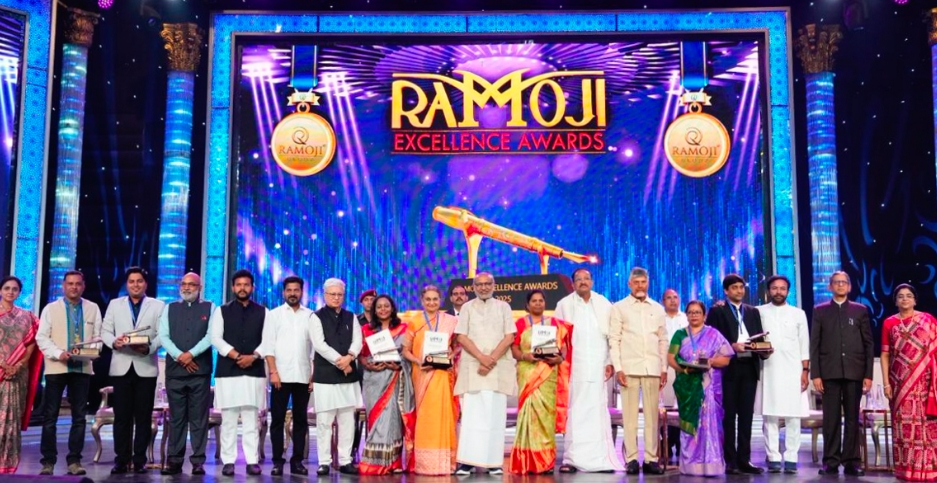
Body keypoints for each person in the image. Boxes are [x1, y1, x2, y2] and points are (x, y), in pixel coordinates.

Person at [553, 267, 623, 473]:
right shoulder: (564, 305)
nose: (583, 282)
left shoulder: (603, 303)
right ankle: (571, 459)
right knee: (574, 411)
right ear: (573, 283)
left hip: (598, 367)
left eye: (586, 278)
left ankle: (600, 459)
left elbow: (611, 336)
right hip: (574, 367)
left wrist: (610, 361)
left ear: (592, 282)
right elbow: (556, 336)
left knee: (596, 411)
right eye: (578, 279)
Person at [36, 270, 102, 476]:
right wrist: (59, 353)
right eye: (70, 284)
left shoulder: (92, 308)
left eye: (78, 284)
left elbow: (98, 338)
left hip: (82, 369)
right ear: (63, 286)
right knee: (50, 417)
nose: (74, 287)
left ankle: (74, 461)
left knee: (79, 417)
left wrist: (91, 352)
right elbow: (42, 337)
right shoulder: (51, 308)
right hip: (56, 368)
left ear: (83, 286)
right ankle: (48, 461)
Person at [810, 271, 873, 477]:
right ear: (830, 286)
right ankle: (831, 461)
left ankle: (852, 461)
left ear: (849, 286)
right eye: (836, 282)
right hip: (829, 372)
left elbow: (868, 344)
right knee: (831, 419)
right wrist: (816, 374)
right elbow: (814, 344)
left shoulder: (860, 310)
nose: (840, 285)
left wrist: (868, 374)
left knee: (853, 418)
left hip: (855, 371)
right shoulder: (820, 311)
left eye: (843, 282)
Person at [102, 267, 164, 474]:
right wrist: (114, 342)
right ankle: (121, 459)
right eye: (131, 281)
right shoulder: (115, 304)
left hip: (146, 367)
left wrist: (149, 348)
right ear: (126, 284)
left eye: (139, 281)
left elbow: (162, 334)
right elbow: (105, 331)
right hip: (121, 366)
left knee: (143, 417)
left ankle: (139, 460)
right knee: (122, 417)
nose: (135, 285)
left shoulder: (158, 305)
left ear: (145, 284)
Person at [453, 272, 515, 475]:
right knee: (472, 416)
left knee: (495, 417)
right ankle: (467, 461)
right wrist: (482, 358)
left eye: (488, 283)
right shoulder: (467, 308)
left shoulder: (503, 307)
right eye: (479, 284)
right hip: (474, 368)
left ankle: (493, 462)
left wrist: (491, 359)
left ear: (494, 285)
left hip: (497, 368)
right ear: (474, 287)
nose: (484, 287)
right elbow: (461, 336)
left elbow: (509, 336)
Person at [608, 267, 667, 475]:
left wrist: (664, 368)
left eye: (643, 282)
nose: (640, 286)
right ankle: (631, 459)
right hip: (629, 368)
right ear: (629, 284)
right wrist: (618, 368)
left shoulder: (657, 308)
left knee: (652, 417)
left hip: (653, 367)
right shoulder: (619, 307)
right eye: (636, 282)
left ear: (648, 283)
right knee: (629, 417)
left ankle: (651, 459)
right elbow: (614, 339)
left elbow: (663, 340)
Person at [706, 273, 766, 475]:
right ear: (726, 291)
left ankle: (744, 459)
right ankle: (730, 460)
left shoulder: (752, 311)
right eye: (734, 288)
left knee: (747, 416)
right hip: (728, 368)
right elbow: (712, 339)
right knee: (729, 415)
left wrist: (764, 349)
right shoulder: (717, 311)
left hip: (749, 366)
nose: (739, 291)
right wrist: (731, 346)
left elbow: (759, 336)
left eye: (741, 287)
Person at [210, 269, 268, 476]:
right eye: (239, 285)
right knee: (229, 419)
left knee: (252, 418)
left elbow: (269, 339)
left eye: (246, 285)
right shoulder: (221, 311)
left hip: (254, 370)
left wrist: (253, 356)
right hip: (229, 371)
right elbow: (215, 338)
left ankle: (252, 460)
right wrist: (236, 355)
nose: (242, 288)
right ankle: (228, 461)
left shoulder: (263, 312)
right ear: (233, 287)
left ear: (252, 287)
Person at [509, 290, 571, 474]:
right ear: (527, 305)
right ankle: (526, 460)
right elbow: (514, 348)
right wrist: (525, 356)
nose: (537, 303)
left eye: (540, 300)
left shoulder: (555, 324)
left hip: (548, 374)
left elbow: (564, 346)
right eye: (534, 301)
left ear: (545, 303)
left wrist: (560, 359)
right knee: (529, 415)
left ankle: (545, 461)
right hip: (528, 373)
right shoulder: (520, 324)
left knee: (546, 417)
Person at [668, 300, 734, 476]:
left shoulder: (714, 334)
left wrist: (710, 361)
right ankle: (690, 465)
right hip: (688, 386)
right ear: (686, 315)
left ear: (704, 315)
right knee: (691, 424)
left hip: (709, 385)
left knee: (710, 423)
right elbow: (671, 358)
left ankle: (711, 465)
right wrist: (685, 370)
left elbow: (726, 359)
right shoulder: (680, 334)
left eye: (697, 312)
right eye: (690, 312)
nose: (694, 315)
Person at [158, 272, 214, 476]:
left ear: (200, 287)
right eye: (184, 284)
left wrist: (191, 354)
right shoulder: (170, 308)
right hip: (175, 372)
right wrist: (180, 356)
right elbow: (163, 336)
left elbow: (211, 336)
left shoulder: (210, 307)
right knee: (177, 418)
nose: (187, 287)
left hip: (200, 371)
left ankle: (198, 461)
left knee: (199, 419)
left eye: (192, 284)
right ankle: (174, 460)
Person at [880, 284, 937, 481]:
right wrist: (886, 383)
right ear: (896, 301)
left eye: (909, 296)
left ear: (915, 300)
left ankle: (928, 468)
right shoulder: (889, 323)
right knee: (903, 427)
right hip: (899, 383)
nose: (905, 299)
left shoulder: (928, 320)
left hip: (925, 382)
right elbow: (885, 355)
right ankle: (906, 469)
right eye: (901, 296)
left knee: (925, 425)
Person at [401, 285, 460, 475]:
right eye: (428, 299)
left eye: (435, 299)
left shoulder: (450, 321)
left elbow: (458, 345)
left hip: (443, 374)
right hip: (422, 373)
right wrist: (419, 361)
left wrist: (451, 354)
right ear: (422, 301)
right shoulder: (415, 322)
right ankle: (424, 463)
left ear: (440, 301)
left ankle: (445, 462)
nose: (432, 302)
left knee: (443, 415)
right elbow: (405, 350)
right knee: (425, 416)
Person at [262, 276, 315, 476]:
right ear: (284, 292)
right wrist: (273, 372)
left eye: (296, 290)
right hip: (280, 376)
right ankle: (277, 461)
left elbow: (314, 348)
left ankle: (297, 461)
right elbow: (268, 346)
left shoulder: (310, 316)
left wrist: (312, 375)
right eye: (289, 290)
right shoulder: (274, 315)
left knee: (301, 420)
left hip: (303, 375)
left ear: (302, 292)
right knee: (277, 420)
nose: (293, 293)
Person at [756, 275, 809, 474]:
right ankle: (773, 457)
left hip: (793, 370)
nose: (778, 292)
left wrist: (805, 371)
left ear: (788, 291)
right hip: (768, 368)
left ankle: (792, 457)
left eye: (782, 288)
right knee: (769, 415)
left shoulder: (798, 314)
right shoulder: (759, 312)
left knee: (793, 416)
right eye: (774, 288)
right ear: (768, 291)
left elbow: (804, 344)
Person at [311, 278, 362, 476]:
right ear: (325, 295)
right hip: (325, 376)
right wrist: (340, 361)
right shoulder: (316, 317)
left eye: (340, 294)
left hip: (348, 376)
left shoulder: (351, 316)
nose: (336, 297)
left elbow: (358, 341)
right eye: (332, 294)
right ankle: (324, 461)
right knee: (324, 421)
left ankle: (345, 461)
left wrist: (350, 357)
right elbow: (319, 344)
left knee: (347, 419)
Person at [359, 294, 414, 474]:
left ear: (392, 308)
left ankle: (394, 463)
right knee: (377, 419)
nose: (383, 309)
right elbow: (361, 355)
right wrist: (367, 364)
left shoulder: (404, 328)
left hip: (395, 378)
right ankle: (374, 462)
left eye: (386, 306)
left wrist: (398, 365)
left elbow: (409, 353)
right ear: (374, 310)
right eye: (379, 307)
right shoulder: (366, 329)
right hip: (374, 380)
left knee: (393, 420)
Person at [0, 276, 42, 474]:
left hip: (18, 375)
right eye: (7, 288)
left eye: (15, 289)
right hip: (1, 370)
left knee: (11, 421)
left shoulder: (26, 316)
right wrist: (3, 364)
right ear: (1, 291)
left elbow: (31, 342)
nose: (10, 292)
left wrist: (19, 364)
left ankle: (6, 465)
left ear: (19, 292)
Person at [661, 288, 687, 460]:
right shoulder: (658, 319)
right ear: (663, 301)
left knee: (682, 406)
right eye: (668, 298)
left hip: (683, 365)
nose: (672, 300)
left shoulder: (686, 318)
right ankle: (666, 442)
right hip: (663, 366)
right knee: (666, 406)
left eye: (675, 297)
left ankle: (679, 440)